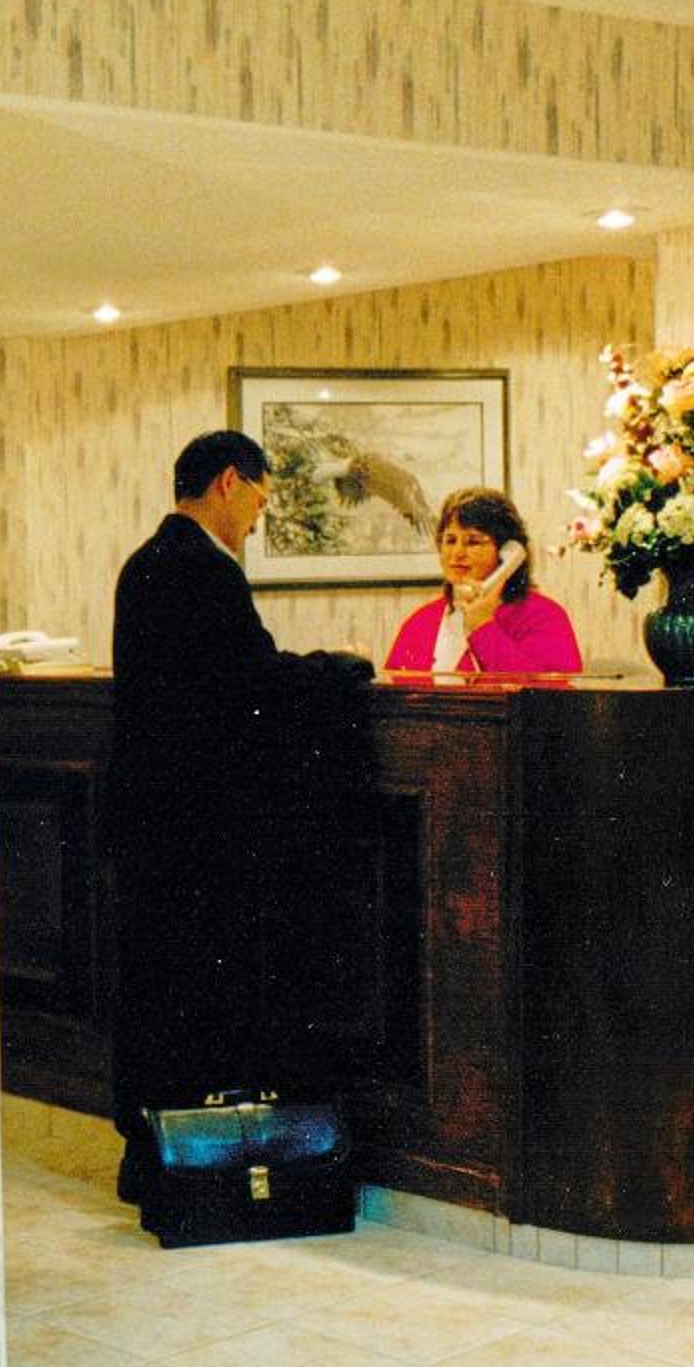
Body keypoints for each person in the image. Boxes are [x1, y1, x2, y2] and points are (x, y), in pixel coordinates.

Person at [102, 429, 374, 1193]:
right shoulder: (203, 569)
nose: (258, 518)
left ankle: (150, 1156)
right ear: (229, 481)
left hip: (150, 817)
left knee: (154, 989)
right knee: (196, 996)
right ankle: (192, 1167)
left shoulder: (144, 562)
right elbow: (251, 684)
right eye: (259, 499)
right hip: (198, 825)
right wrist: (336, 669)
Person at [383, 487, 583, 676]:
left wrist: (483, 627)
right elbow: (392, 693)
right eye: (450, 540)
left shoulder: (543, 616)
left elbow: (545, 694)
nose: (457, 553)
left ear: (507, 551)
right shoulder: (421, 622)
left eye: (473, 541)